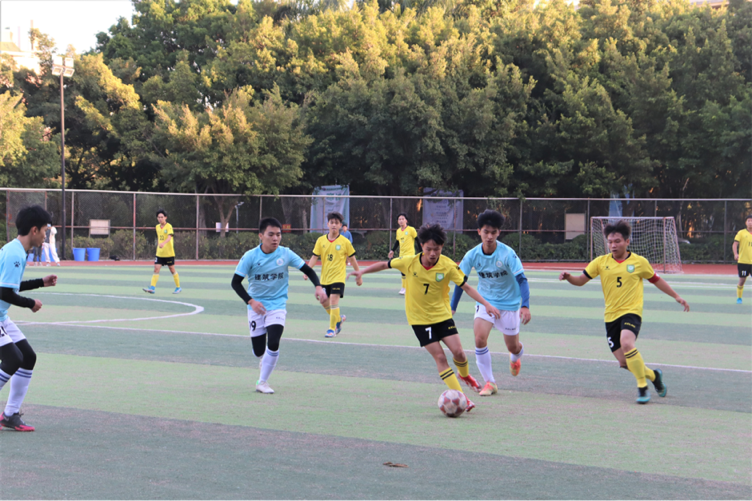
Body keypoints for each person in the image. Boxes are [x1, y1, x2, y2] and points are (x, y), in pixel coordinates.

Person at [349, 223, 501, 413]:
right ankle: (462, 396)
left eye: (437, 249)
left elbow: (467, 287)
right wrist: (362, 271)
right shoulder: (409, 262)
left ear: (442, 247)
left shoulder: (448, 265)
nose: (432, 253)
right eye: (429, 249)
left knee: (460, 353)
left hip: (442, 316)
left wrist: (486, 304)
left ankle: (464, 375)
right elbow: (384, 264)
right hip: (419, 320)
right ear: (421, 246)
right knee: (440, 357)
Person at [559, 220, 690, 404]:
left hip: (631, 312)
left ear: (627, 242)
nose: (613, 245)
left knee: (627, 343)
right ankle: (654, 376)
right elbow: (581, 280)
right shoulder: (600, 262)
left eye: (617, 241)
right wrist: (569, 277)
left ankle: (642, 387)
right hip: (610, 316)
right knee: (624, 362)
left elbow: (656, 280)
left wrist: (676, 296)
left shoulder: (639, 262)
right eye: (610, 241)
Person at [232, 218, 328, 394]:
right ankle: (263, 360)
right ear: (261, 236)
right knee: (259, 351)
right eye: (271, 234)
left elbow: (307, 270)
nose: (275, 238)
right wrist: (251, 301)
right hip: (256, 307)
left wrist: (318, 287)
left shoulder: (285, 253)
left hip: (277, 304)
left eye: (278, 234)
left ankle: (262, 382)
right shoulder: (250, 256)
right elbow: (235, 283)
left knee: (274, 342)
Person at [450, 210, 531, 396]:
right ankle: (490, 382)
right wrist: (452, 307)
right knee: (479, 339)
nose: (489, 236)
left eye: (493, 232)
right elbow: (460, 281)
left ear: (498, 233)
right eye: (486, 232)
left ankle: (515, 357)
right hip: (485, 302)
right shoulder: (472, 255)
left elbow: (522, 280)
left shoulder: (508, 253)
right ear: (479, 231)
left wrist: (525, 305)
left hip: (509, 305)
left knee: (513, 346)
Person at [0, 205, 58, 431]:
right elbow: (4, 293)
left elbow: (10, 286)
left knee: (27, 357)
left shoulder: (17, 250)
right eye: (44, 230)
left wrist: (40, 282)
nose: (45, 235)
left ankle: (10, 415)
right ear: (34, 230)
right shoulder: (15, 253)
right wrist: (30, 303)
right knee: (13, 358)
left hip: (1, 316)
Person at [305, 212, 361, 338]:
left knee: (334, 301)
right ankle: (338, 319)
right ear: (327, 224)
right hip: (325, 278)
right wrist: (307, 271)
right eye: (332, 222)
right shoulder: (321, 241)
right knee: (324, 302)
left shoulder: (345, 242)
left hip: (338, 278)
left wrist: (359, 274)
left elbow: (352, 259)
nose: (334, 225)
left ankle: (332, 329)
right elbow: (314, 257)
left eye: (336, 223)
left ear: (340, 225)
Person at [143, 209, 181, 294]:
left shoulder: (169, 226)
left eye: (162, 217)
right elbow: (159, 237)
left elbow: (169, 237)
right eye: (158, 217)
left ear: (165, 217)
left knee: (172, 269)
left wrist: (163, 243)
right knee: (156, 269)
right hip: (160, 253)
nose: (160, 219)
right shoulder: (157, 227)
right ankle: (152, 288)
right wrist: (159, 245)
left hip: (169, 253)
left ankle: (178, 287)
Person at [388, 213, 418, 295]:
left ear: (406, 220)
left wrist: (422, 252)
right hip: (401, 255)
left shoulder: (411, 229)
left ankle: (410, 287)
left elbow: (417, 240)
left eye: (402, 219)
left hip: (410, 255)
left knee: (410, 271)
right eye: (399, 219)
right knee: (402, 271)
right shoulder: (398, 231)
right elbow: (397, 242)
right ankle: (404, 288)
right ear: (398, 221)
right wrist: (392, 250)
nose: (401, 220)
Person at [732, 215, 752, 304]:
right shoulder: (741, 233)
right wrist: (735, 254)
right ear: (746, 222)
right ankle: (739, 298)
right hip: (743, 262)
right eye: (749, 221)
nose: (750, 222)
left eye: (751, 221)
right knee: (742, 280)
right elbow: (735, 244)